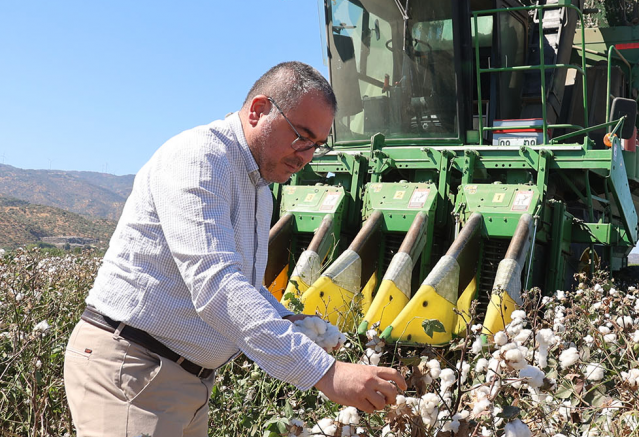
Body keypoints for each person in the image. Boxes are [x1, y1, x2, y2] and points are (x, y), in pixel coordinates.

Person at [63, 61, 407, 436]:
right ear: (258, 110)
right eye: (300, 136)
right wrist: (327, 374)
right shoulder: (200, 158)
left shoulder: (259, 185)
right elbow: (217, 286)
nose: (306, 156)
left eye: (317, 146)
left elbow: (247, 286)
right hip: (133, 370)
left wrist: (291, 321)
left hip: (181, 382)